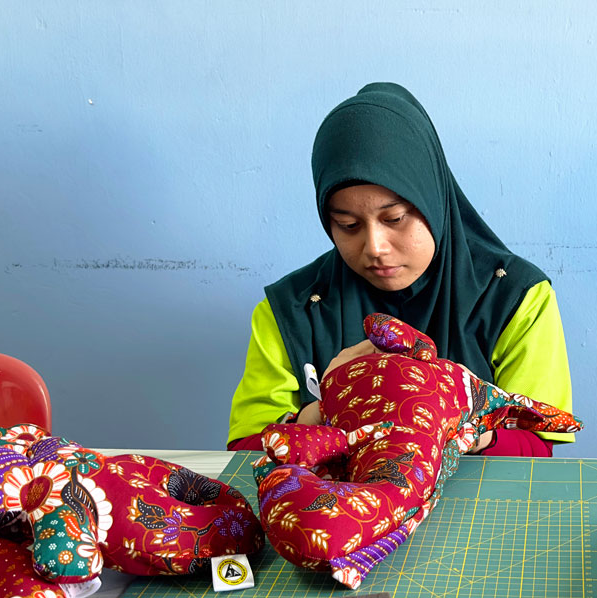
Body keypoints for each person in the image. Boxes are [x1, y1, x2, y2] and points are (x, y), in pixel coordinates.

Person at [227, 82, 574, 457]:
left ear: (433, 200)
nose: (374, 247)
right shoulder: (291, 311)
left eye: (394, 218)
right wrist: (327, 406)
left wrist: (457, 420)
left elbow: (537, 443)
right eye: (348, 225)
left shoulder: (514, 298)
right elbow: (245, 449)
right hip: (337, 496)